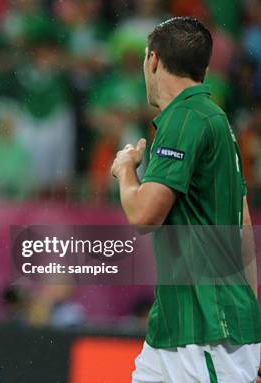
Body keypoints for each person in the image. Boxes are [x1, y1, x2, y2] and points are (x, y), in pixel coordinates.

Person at [111, 17, 261, 382]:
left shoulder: (182, 119)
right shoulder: (216, 120)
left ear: (153, 60)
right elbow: (242, 228)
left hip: (206, 330)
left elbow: (144, 216)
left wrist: (126, 170)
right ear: (204, 69)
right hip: (178, 328)